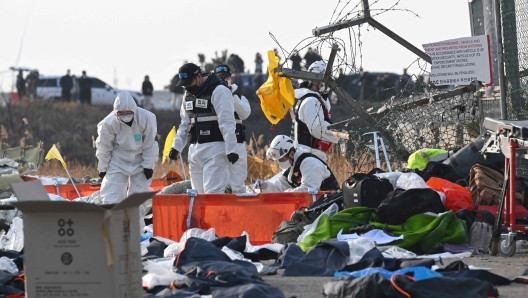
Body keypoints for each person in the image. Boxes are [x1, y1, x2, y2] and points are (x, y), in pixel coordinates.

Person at [168, 63, 239, 194]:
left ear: (199, 76)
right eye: (185, 84)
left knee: (213, 195)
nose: (188, 87)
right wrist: (176, 147)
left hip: (215, 150)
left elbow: (227, 122)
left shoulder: (219, 91)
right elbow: (185, 124)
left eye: (190, 83)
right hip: (194, 152)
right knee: (198, 196)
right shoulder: (187, 95)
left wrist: (232, 149)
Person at [95, 91, 158, 228]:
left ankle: (137, 234)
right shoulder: (108, 123)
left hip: (140, 160)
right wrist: (102, 167)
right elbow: (103, 147)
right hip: (118, 161)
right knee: (111, 198)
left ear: (134, 109)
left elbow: (150, 144)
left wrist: (148, 165)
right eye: (121, 113)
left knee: (137, 201)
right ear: (116, 113)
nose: (125, 116)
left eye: (128, 112)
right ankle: (112, 231)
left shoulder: (146, 118)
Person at [253, 135, 339, 193]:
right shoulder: (290, 167)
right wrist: (265, 187)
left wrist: (286, 194)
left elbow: (309, 190)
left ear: (291, 153)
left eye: (281, 159)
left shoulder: (310, 163)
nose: (279, 162)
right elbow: (279, 188)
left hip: (330, 206)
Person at [292, 61, 339, 162]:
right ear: (315, 81)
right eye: (326, 80)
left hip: (310, 156)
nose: (328, 84)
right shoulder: (311, 101)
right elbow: (316, 129)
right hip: (308, 157)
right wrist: (340, 135)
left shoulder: (313, 99)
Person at [214, 64, 251, 193]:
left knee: (238, 184)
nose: (223, 80)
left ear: (231, 78)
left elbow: (244, 114)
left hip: (237, 143)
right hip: (218, 144)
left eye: (225, 77)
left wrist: (230, 95)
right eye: (219, 77)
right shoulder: (211, 96)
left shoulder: (239, 97)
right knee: (218, 184)